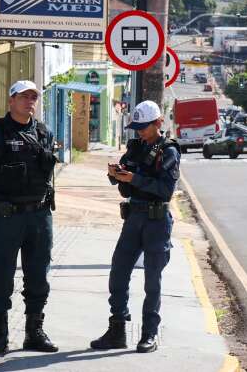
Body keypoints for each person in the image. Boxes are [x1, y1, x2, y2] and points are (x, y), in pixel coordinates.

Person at [0, 80, 58, 356]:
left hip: (40, 216)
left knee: (38, 276)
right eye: (24, 97)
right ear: (11, 100)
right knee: (0, 277)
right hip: (8, 217)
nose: (29, 101)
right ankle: (0, 335)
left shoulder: (43, 133)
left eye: (33, 97)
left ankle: (34, 332)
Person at [91, 100, 180, 354]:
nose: (140, 131)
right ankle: (117, 329)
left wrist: (135, 179)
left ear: (158, 124)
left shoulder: (169, 151)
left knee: (152, 280)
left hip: (157, 221)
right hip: (134, 218)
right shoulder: (135, 147)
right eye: (137, 127)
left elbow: (165, 189)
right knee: (118, 273)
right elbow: (125, 181)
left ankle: (149, 334)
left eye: (144, 127)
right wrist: (116, 174)